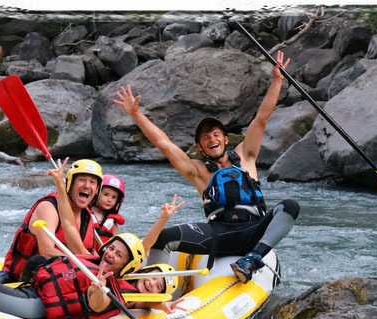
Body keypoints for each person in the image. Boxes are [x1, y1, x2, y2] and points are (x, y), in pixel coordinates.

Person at [113, 51, 301, 284]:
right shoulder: (198, 171)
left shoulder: (247, 155)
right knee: (163, 239)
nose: (211, 139)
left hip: (254, 229)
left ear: (224, 139)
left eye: (215, 134)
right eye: (205, 137)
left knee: (290, 206)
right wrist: (136, 113)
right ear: (201, 146)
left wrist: (277, 80)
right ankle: (153, 290)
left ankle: (252, 259)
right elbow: (164, 143)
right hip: (219, 233)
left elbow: (261, 118)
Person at [0, 160, 183, 319]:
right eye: (110, 247)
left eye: (118, 256)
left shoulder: (116, 287)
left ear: (125, 268)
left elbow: (115, 298)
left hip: (39, 305)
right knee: (38, 260)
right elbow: (69, 224)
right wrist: (61, 186)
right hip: (32, 283)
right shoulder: (88, 256)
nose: (110, 254)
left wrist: (160, 304)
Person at [0, 158, 104, 284]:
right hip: (19, 278)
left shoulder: (87, 217)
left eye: (93, 182)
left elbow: (85, 254)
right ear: (71, 183)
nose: (87, 186)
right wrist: (85, 265)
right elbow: (46, 251)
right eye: (81, 180)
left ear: (97, 189)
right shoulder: (49, 208)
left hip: (58, 281)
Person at [92, 174, 126, 244]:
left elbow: (117, 242)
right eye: (106, 195)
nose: (109, 200)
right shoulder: (85, 212)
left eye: (113, 197)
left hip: (103, 253)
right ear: (97, 193)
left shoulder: (113, 222)